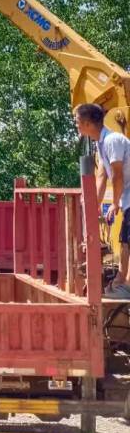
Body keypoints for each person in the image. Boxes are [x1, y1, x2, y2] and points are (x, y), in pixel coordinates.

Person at [74, 103, 130, 296]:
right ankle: (121, 281)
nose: (76, 125)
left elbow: (117, 175)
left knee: (126, 240)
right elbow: (101, 176)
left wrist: (114, 204)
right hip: (127, 196)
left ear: (88, 122)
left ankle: (122, 282)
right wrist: (93, 205)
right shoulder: (101, 143)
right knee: (124, 239)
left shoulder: (112, 140)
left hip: (128, 195)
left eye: (77, 121)